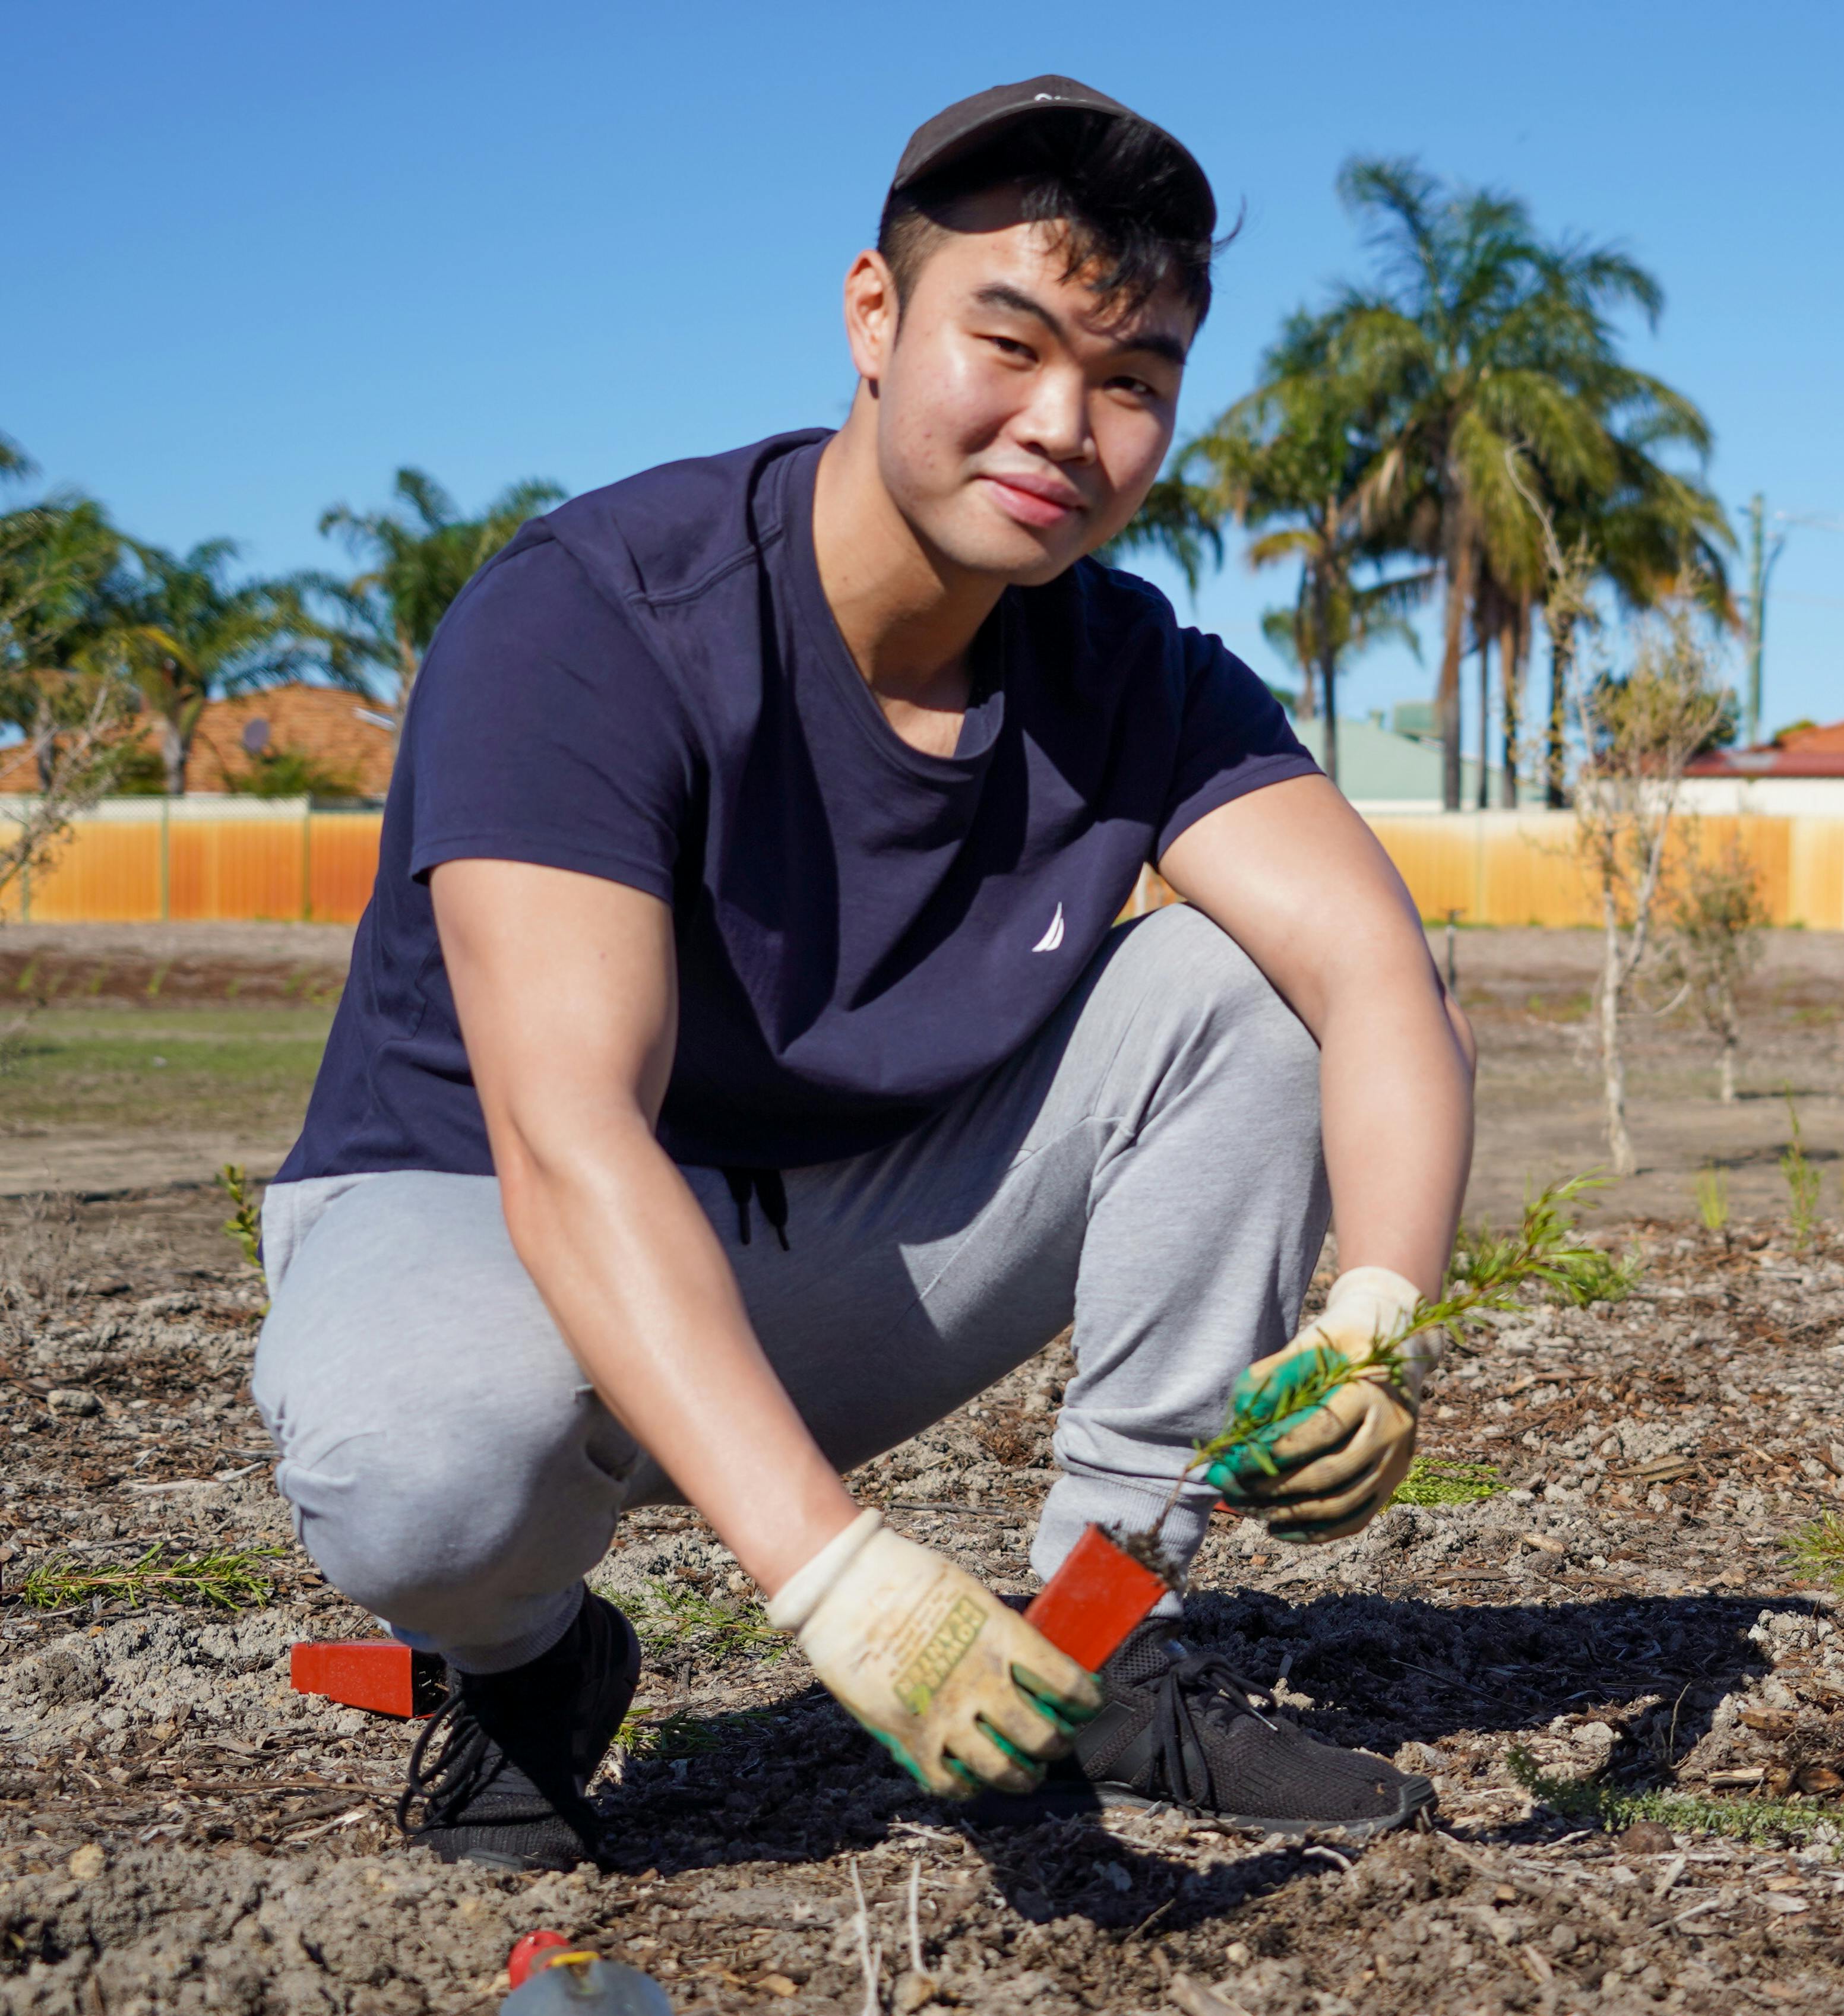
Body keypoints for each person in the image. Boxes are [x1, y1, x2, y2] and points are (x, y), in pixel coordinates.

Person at [250, 79, 1476, 1871]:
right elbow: (568, 1132)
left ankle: (1089, 1646)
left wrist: (1378, 1309)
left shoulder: (1126, 671)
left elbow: (1378, 980)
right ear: (875, 317)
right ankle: (524, 1663)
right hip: (486, 1215)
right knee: (423, 1463)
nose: (1067, 424)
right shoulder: (595, 617)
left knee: (1248, 979)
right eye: (1014, 341)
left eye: (1131, 380)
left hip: (837, 1239)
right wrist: (833, 1575)